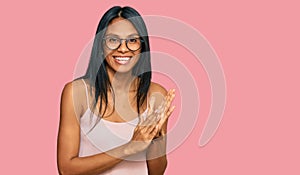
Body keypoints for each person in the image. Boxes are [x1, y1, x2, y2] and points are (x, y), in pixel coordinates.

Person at [57, 6, 176, 175]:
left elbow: (156, 172)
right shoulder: (77, 93)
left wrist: (155, 141)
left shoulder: (156, 96)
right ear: (100, 44)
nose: (123, 48)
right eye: (113, 40)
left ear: (142, 46)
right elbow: (66, 169)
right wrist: (128, 148)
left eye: (132, 40)